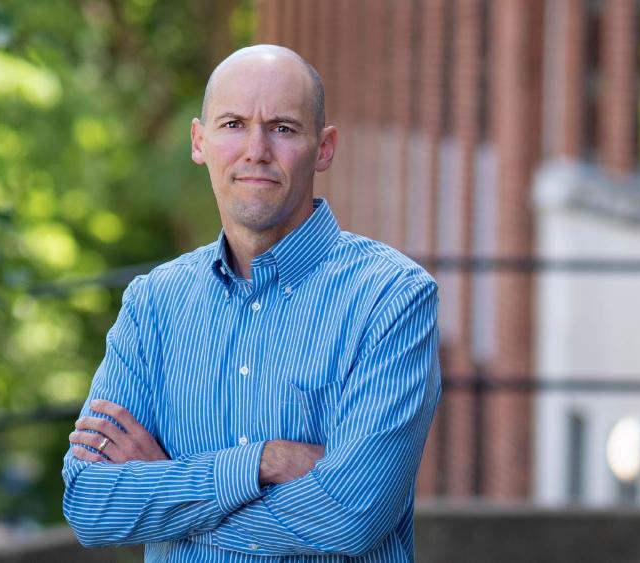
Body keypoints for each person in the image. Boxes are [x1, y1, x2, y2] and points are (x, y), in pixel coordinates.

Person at [62, 44, 441, 562]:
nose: (256, 150)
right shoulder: (154, 304)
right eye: (234, 124)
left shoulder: (390, 298)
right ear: (200, 142)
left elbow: (352, 515)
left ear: (324, 148)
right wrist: (262, 462)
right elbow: (90, 505)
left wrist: (170, 497)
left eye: (283, 128)